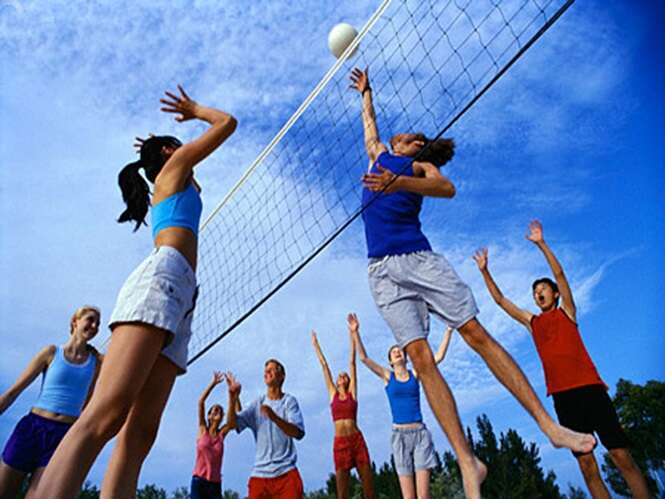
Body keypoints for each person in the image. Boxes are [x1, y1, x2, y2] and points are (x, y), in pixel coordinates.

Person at [349, 66, 596, 498]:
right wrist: (366, 94)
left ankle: (548, 426)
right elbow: (369, 125)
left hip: (418, 259)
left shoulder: (417, 165)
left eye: (413, 139)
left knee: (475, 334)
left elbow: (447, 190)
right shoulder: (377, 154)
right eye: (405, 136)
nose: (405, 138)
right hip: (381, 272)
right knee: (421, 361)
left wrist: (399, 181)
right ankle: (468, 462)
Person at [29, 86, 237, 499]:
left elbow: (185, 178)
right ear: (170, 155)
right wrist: (194, 111)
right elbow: (227, 123)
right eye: (177, 148)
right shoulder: (175, 168)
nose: (185, 149)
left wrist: (153, 152)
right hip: (161, 280)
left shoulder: (180, 180)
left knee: (138, 437)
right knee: (104, 416)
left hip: (183, 295)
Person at [472, 220, 650, 499]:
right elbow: (500, 301)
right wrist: (485, 271)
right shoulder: (533, 323)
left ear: (554, 294)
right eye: (535, 291)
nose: (538, 293)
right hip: (564, 399)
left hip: (591, 390)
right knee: (588, 467)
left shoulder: (567, 311)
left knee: (620, 456)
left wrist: (541, 243)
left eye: (543, 289)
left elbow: (560, 273)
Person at [0, 305, 102, 499]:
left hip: (63, 437)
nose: (95, 325)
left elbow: (89, 405)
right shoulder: (51, 353)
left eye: (98, 323)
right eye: (90, 319)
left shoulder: (96, 363)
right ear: (75, 321)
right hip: (31, 428)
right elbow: (14, 391)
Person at [352, 315, 452, 499]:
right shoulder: (387, 376)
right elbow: (364, 358)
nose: (397, 351)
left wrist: (449, 330)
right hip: (400, 437)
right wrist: (355, 332)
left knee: (423, 496)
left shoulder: (415, 373)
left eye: (399, 350)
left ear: (405, 357)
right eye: (393, 351)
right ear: (390, 360)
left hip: (420, 435)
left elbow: (437, 357)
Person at [311, 313, 374, 499]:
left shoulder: (352, 393)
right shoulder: (332, 394)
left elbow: (352, 362)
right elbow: (324, 366)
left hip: (357, 440)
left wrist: (352, 334)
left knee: (369, 491)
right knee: (342, 494)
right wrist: (316, 345)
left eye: (344, 376)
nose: (342, 377)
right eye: (339, 376)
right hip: (340, 443)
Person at [226, 359, 305, 499]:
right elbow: (232, 425)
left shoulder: (289, 401)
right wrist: (232, 399)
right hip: (260, 475)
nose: (267, 371)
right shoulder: (257, 403)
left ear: (282, 376)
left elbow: (298, 433)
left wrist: (274, 417)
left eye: (272, 369)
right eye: (266, 370)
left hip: (286, 473)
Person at [191, 371, 241, 499]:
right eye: (214, 409)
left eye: (220, 410)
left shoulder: (222, 433)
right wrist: (213, 383)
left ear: (222, 416)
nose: (217, 410)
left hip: (215, 484)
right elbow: (200, 402)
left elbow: (238, 415)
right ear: (209, 416)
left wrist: (234, 394)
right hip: (199, 482)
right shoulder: (203, 430)